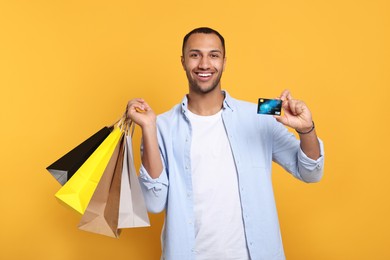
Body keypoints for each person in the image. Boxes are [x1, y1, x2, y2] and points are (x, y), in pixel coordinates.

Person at [126, 27, 324, 260]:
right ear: (183, 61)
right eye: (195, 54)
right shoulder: (161, 125)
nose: (204, 64)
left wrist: (306, 129)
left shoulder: (261, 113)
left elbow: (311, 173)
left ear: (224, 61)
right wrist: (148, 128)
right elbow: (153, 202)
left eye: (213, 55)